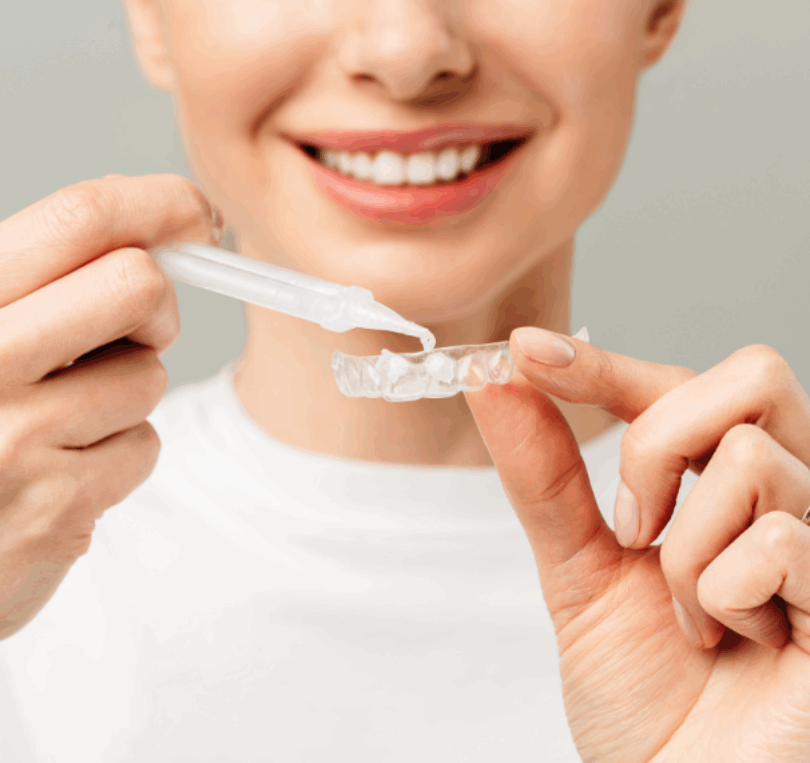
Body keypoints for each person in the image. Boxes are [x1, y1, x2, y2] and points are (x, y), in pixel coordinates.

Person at [2, 0, 810, 760]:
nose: (407, 53)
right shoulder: (25, 584)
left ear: (660, 8)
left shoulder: (774, 596)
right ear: (150, 14)